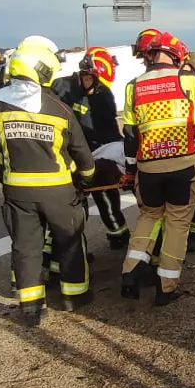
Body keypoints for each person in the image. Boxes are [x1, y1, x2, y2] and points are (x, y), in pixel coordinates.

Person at [0, 36, 95, 326]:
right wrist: (86, 179)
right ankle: (74, 296)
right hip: (59, 192)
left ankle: (31, 307)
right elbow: (82, 152)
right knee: (70, 241)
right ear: (43, 70)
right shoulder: (59, 109)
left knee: (26, 247)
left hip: (18, 193)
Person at [120, 32, 195, 305]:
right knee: (176, 223)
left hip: (148, 169)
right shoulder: (187, 80)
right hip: (182, 167)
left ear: (151, 55)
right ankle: (166, 287)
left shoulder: (133, 87)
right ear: (177, 57)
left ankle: (130, 271)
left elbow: (130, 135)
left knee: (149, 217)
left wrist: (130, 171)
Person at [57, 47, 131, 250]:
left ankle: (118, 235)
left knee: (105, 191)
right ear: (86, 74)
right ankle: (66, 253)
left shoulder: (103, 94)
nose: (96, 87)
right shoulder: (60, 88)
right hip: (65, 154)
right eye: (94, 81)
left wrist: (121, 161)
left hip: (95, 152)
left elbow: (109, 129)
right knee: (71, 204)